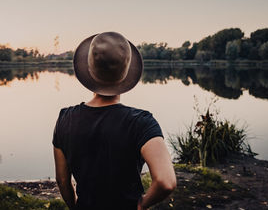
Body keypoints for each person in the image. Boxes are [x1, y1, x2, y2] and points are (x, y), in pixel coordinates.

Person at [53, 32, 177, 210]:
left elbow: (62, 180)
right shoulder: (141, 123)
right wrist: (142, 205)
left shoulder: (65, 118)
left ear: (89, 69)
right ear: (126, 72)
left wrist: (75, 206)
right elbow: (166, 182)